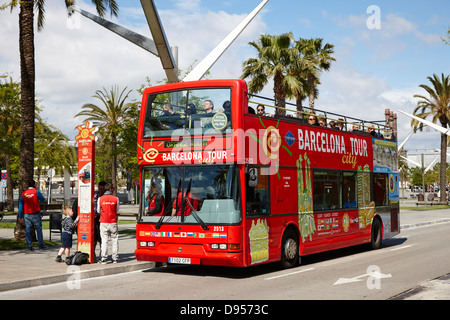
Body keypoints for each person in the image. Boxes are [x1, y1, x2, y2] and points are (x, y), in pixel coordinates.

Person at [18, 180, 46, 251]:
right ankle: (40, 245)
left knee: (28, 230)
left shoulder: (24, 193)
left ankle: (29, 246)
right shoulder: (36, 192)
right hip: (36, 213)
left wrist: (20, 216)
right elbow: (43, 199)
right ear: (34, 185)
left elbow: (21, 205)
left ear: (27, 185)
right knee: (38, 229)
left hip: (27, 214)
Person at [97, 183, 119, 264]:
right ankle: (115, 258)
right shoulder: (116, 198)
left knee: (104, 240)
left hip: (103, 221)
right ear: (111, 189)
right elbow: (117, 210)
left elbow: (98, 211)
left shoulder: (100, 199)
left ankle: (104, 258)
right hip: (113, 221)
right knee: (115, 240)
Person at [93, 181, 107, 259]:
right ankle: (93, 252)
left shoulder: (106, 196)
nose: (101, 190)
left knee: (102, 238)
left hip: (103, 218)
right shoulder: (95, 194)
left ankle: (102, 253)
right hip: (95, 218)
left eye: (102, 189)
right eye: (99, 188)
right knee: (95, 237)